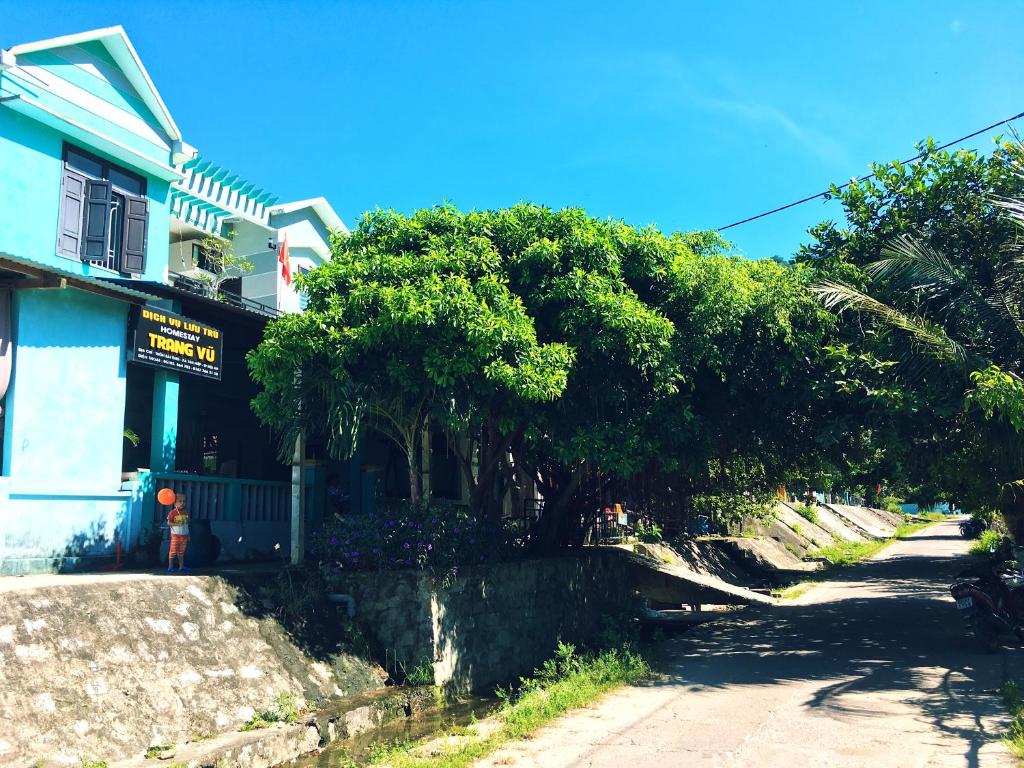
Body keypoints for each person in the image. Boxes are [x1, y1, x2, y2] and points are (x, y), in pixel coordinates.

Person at [166, 493, 190, 572]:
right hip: (176, 535)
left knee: (181, 551)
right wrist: (177, 524)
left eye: (184, 501)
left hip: (184, 536)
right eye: (180, 501)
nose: (182, 503)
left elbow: (187, 525)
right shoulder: (172, 513)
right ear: (175, 503)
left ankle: (181, 566)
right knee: (173, 551)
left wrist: (188, 535)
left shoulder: (185, 513)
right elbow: (169, 523)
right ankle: (170, 566)